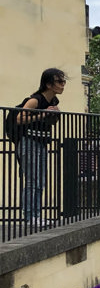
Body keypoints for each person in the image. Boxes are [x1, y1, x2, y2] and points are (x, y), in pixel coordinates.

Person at [15, 68, 65, 227]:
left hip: (42, 142)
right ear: (49, 84)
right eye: (59, 81)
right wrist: (43, 113)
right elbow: (19, 119)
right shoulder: (35, 100)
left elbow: (48, 123)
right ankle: (30, 217)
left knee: (40, 180)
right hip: (29, 142)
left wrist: (54, 116)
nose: (63, 85)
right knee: (32, 180)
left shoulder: (54, 101)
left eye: (63, 81)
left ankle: (36, 215)